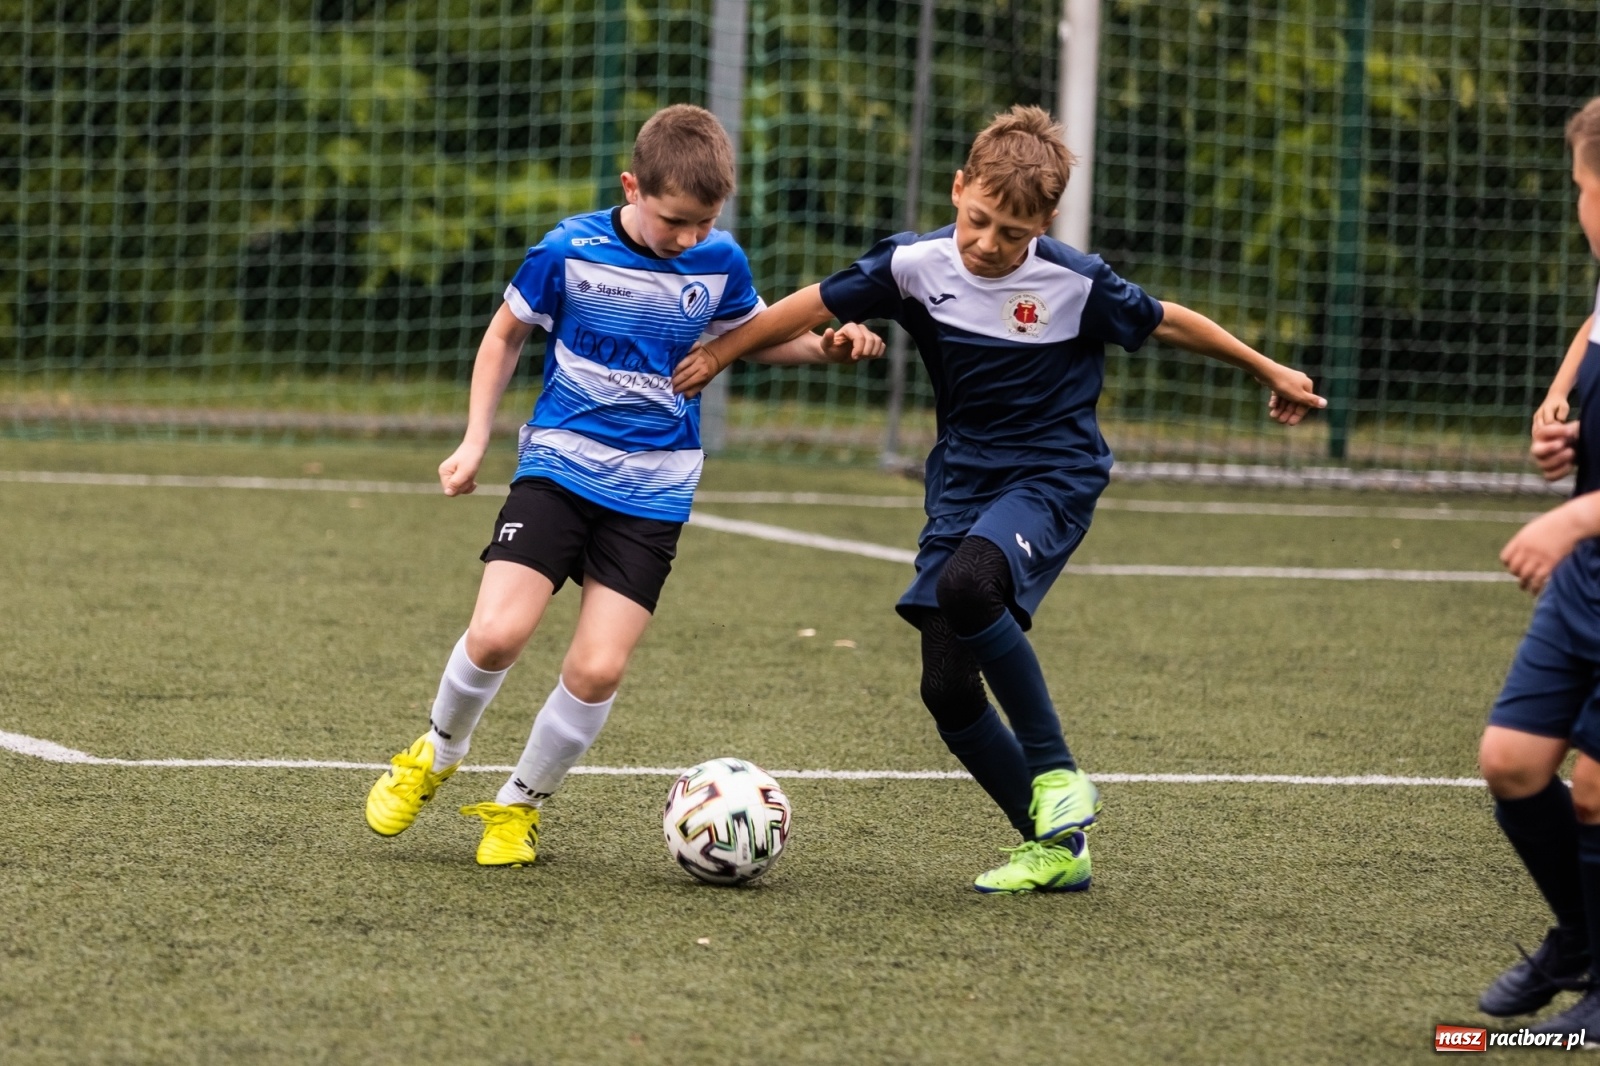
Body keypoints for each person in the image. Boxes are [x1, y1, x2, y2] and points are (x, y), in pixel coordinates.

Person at [673, 105, 1323, 893]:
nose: (988, 244)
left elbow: (1168, 323)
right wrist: (718, 354)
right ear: (958, 190)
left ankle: (1056, 775)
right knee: (945, 685)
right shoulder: (913, 265)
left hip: (1052, 474)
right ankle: (1056, 848)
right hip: (963, 482)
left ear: (1043, 224)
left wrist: (1269, 369)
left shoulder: (1075, 283)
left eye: (1012, 233)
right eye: (978, 221)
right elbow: (808, 307)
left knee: (969, 584)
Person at [364, 104, 882, 866]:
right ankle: (437, 753)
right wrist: (474, 439)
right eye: (675, 221)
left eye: (705, 223)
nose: (689, 239)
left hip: (656, 488)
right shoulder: (568, 249)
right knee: (499, 633)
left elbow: (762, 335)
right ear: (632, 186)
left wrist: (831, 349)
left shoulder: (720, 259)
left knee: (599, 667)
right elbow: (504, 335)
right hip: (559, 467)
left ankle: (517, 807)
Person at [1476, 95, 1600, 1034]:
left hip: (1587, 545)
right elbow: (1591, 336)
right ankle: (1582, 937)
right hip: (1591, 578)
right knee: (1514, 762)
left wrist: (1574, 518)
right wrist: (1559, 408)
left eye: (1581, 190)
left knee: (1596, 783)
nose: (1579, 208)